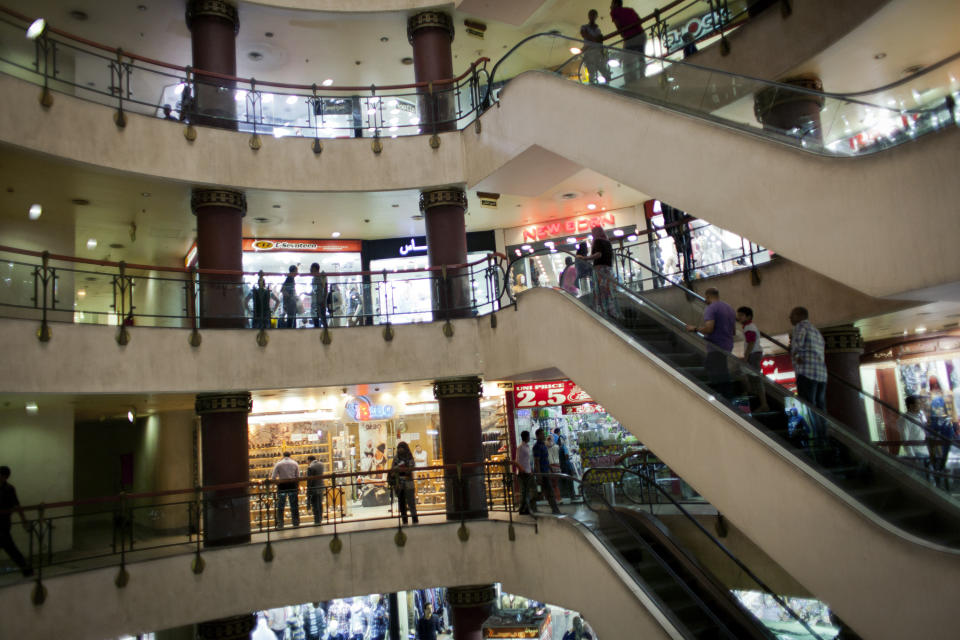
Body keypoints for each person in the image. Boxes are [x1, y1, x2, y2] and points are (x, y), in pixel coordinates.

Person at [789, 306, 828, 436]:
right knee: (820, 406)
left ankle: (814, 433)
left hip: (806, 372)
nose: (789, 318)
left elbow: (796, 346)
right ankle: (824, 432)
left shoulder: (800, 327)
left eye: (792, 315)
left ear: (799, 316)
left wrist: (796, 356)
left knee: (808, 404)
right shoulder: (816, 331)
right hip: (821, 374)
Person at [686, 287, 736, 389]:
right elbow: (734, 331)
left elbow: (709, 329)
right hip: (727, 345)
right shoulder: (729, 308)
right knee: (723, 371)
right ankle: (727, 394)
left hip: (715, 346)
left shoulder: (711, 308)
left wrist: (695, 329)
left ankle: (721, 396)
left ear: (708, 296)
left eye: (706, 298)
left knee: (714, 372)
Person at [0, 466, 32, 577]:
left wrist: (24, 520)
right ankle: (26, 568)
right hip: (4, 523)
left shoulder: (9, 489)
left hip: (3, 523)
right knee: (9, 546)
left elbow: (17, 505)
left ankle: (26, 568)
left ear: (4, 476)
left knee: (9, 547)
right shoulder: (9, 489)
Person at [737, 306, 769, 411]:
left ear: (749, 316)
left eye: (741, 315)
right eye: (738, 315)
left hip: (753, 354)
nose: (739, 317)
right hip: (755, 354)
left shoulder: (749, 327)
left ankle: (763, 403)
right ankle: (753, 393)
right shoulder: (749, 326)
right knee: (751, 375)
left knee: (754, 377)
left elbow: (751, 342)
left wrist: (746, 356)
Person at [610, 0, 646, 85]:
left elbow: (618, 25)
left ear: (615, 4)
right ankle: (642, 76)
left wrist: (623, 34)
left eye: (611, 4)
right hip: (641, 35)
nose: (610, 6)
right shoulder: (630, 10)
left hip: (631, 38)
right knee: (641, 57)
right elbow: (639, 21)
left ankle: (630, 82)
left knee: (627, 62)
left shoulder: (614, 12)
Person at [585, 226, 618, 317]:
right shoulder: (608, 242)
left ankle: (602, 312)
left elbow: (598, 254)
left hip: (600, 270)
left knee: (600, 291)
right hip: (608, 270)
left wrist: (586, 258)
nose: (592, 235)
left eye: (593, 233)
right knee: (608, 291)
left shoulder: (598, 241)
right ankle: (612, 312)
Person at [532, 428, 562, 514]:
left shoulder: (543, 445)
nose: (544, 435)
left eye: (543, 434)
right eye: (542, 434)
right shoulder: (537, 447)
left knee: (545, 491)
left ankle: (553, 509)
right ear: (537, 436)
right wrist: (539, 475)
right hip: (542, 472)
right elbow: (537, 461)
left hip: (545, 471)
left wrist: (550, 468)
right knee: (548, 491)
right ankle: (555, 509)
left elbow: (545, 459)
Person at [390, 441, 419, 525]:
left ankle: (415, 519)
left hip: (409, 482)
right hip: (399, 483)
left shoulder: (410, 457)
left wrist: (403, 469)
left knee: (411, 502)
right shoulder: (396, 458)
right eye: (399, 448)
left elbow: (411, 467)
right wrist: (399, 468)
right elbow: (392, 470)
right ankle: (404, 520)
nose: (400, 450)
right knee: (401, 502)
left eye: (402, 448)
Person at [271, 451, 300, 528]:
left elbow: (273, 477)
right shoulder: (295, 463)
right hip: (292, 485)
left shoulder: (279, 464)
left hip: (282, 486)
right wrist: (297, 486)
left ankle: (280, 524)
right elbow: (298, 476)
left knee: (280, 505)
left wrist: (278, 483)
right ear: (290, 455)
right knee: (294, 505)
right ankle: (296, 523)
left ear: (283, 455)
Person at [897, 395, 929, 461]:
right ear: (911, 406)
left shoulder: (920, 415)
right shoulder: (905, 420)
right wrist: (912, 457)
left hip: (925, 451)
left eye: (921, 403)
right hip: (917, 453)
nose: (920, 406)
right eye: (918, 403)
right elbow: (905, 439)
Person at [580, 9, 608, 84]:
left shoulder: (598, 30)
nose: (592, 17)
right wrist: (596, 40)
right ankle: (592, 84)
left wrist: (602, 52)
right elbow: (584, 35)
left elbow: (600, 41)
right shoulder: (584, 27)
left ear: (596, 17)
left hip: (597, 52)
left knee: (603, 69)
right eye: (591, 14)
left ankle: (607, 83)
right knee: (591, 71)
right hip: (589, 52)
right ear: (589, 16)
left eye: (594, 15)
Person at [515, 430, 534, 514]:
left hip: (528, 471)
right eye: (529, 436)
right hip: (523, 473)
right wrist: (521, 470)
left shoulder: (527, 447)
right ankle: (522, 509)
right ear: (526, 437)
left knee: (527, 491)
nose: (529, 438)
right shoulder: (520, 447)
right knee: (524, 491)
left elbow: (527, 460)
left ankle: (525, 508)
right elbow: (517, 460)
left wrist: (530, 469)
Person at [306, 455, 325, 525]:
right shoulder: (321, 464)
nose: (307, 462)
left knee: (315, 504)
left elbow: (309, 480)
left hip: (314, 488)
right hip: (321, 486)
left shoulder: (310, 467)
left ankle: (317, 521)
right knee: (320, 503)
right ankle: (320, 518)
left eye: (307, 461)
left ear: (309, 460)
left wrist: (308, 489)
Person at [310, 263, 328, 329]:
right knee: (315, 320)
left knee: (323, 319)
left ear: (315, 269)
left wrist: (324, 301)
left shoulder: (322, 277)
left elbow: (325, 289)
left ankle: (326, 334)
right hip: (315, 303)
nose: (310, 271)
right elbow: (314, 291)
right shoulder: (313, 279)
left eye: (311, 269)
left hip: (321, 302)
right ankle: (317, 333)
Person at [546, 432, 562, 502]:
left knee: (552, 485)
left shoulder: (546, 447)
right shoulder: (557, 447)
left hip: (551, 466)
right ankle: (558, 498)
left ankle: (555, 499)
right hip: (557, 466)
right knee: (555, 484)